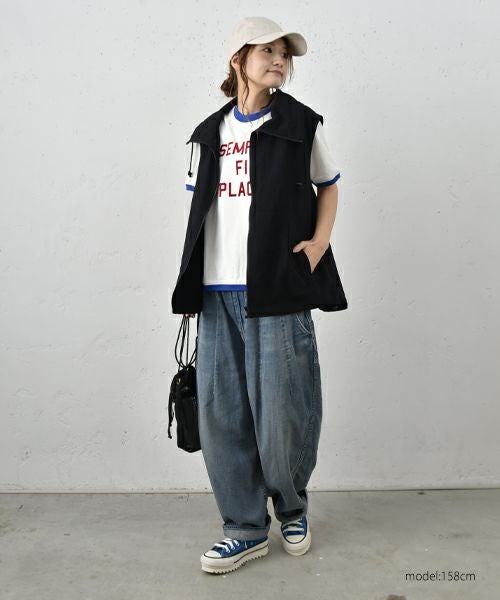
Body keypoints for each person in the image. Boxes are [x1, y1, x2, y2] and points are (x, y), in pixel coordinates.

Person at [171, 16, 348, 574]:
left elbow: (329, 185)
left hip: (276, 285)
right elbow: (203, 208)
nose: (279, 61)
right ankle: (244, 528)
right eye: (267, 51)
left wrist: (320, 242)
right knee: (222, 413)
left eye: (284, 54)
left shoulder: (301, 124)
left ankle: (291, 508)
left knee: (283, 411)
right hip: (216, 290)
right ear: (238, 60)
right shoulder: (208, 133)